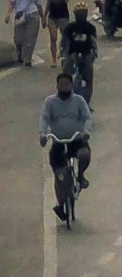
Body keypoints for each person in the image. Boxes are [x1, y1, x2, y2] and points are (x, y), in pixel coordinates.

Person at [39, 72, 93, 216]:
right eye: (61, 84)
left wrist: (86, 131)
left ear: (71, 85)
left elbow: (87, 117)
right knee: (59, 176)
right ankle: (60, 205)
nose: (64, 87)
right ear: (57, 86)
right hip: (58, 142)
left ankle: (80, 176)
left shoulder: (79, 101)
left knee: (84, 154)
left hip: (75, 140)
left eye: (67, 84)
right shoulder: (50, 102)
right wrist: (43, 134)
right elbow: (44, 119)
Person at [61, 3, 99, 102]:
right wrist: (63, 52)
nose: (81, 15)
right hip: (72, 53)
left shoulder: (90, 27)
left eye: (83, 13)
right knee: (65, 73)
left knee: (89, 76)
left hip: (86, 53)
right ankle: (65, 95)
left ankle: (87, 100)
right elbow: (64, 40)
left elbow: (94, 42)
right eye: (79, 13)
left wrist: (94, 54)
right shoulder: (70, 27)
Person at [7, 0, 43, 68]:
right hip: (20, 15)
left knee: (30, 38)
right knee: (18, 39)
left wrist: (43, 17)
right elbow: (11, 3)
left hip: (32, 15)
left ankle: (28, 59)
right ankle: (19, 53)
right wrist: (8, 14)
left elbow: (39, 5)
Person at [44, 0, 71, 67]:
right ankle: (54, 59)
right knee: (53, 37)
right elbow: (48, 3)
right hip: (53, 16)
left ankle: (64, 53)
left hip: (63, 16)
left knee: (65, 37)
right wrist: (44, 16)